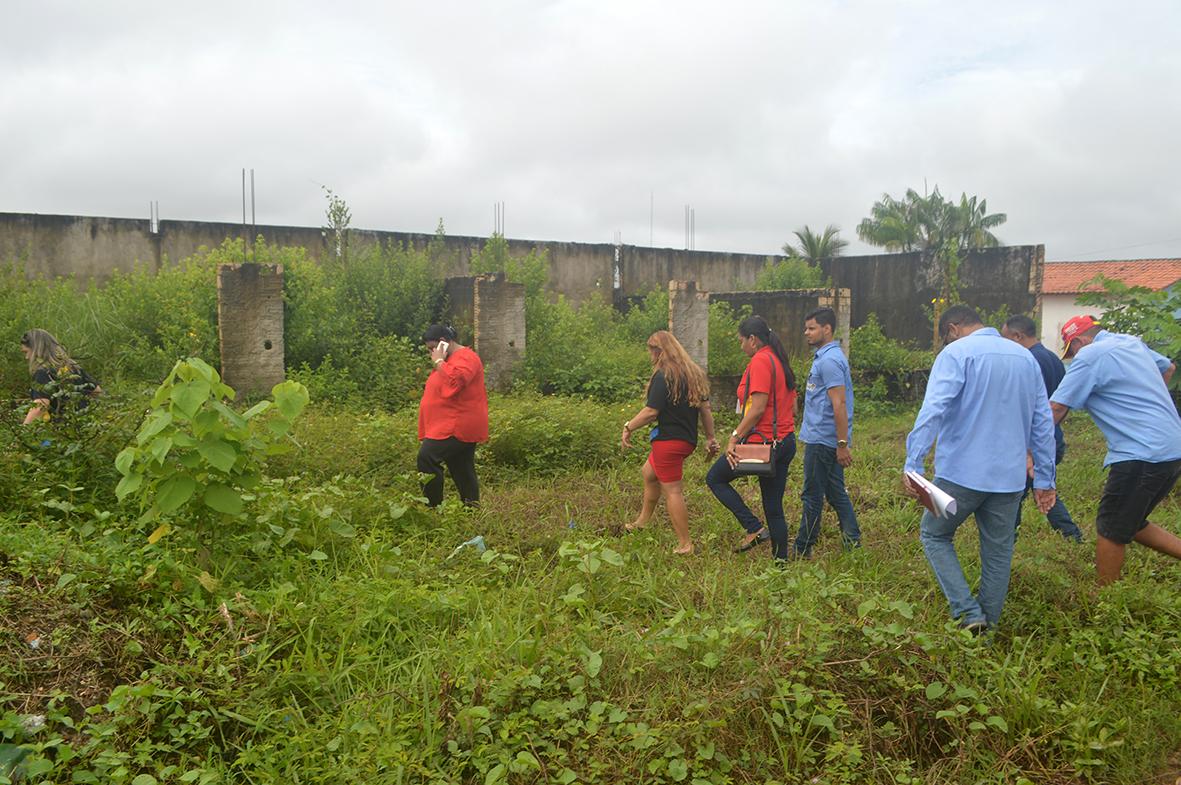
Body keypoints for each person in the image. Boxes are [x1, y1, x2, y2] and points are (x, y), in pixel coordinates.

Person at [903, 306, 1056, 633]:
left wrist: (913, 464)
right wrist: (1044, 478)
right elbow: (1042, 423)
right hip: (1010, 479)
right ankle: (987, 631)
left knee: (934, 534)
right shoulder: (1025, 357)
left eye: (945, 335)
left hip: (960, 477)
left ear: (953, 328)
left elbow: (933, 410)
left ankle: (968, 613)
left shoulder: (956, 353)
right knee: (998, 554)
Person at [1049, 315, 1181, 585]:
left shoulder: (1089, 356)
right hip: (1171, 447)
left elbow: (1057, 408)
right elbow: (1168, 368)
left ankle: (1105, 600)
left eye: (1070, 351)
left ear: (1077, 342)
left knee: (1110, 527)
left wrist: (1028, 448)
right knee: (1132, 522)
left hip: (1141, 451)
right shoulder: (1131, 343)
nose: (1072, 357)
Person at [706, 315, 799, 560]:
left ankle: (753, 527)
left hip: (765, 444)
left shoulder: (760, 361)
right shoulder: (780, 360)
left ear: (753, 340)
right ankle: (780, 563)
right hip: (786, 441)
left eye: (741, 341)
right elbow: (794, 406)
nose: (741, 346)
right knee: (773, 507)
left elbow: (757, 408)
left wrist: (735, 437)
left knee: (715, 477)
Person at [622, 331, 719, 554]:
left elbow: (650, 412)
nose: (649, 355)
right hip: (686, 440)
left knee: (673, 491)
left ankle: (685, 544)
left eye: (651, 350)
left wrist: (628, 427)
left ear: (659, 351)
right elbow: (705, 409)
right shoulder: (693, 373)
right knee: (649, 473)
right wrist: (710, 437)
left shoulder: (662, 375)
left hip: (669, 443)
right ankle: (642, 522)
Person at [1000, 314, 1084, 542]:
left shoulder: (1027, 361)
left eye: (1006, 338)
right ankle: (1071, 536)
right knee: (1038, 486)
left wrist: (1028, 445)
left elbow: (1026, 407)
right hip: (1050, 438)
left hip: (1032, 441)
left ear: (1018, 336)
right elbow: (1061, 405)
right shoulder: (1053, 359)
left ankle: (1008, 539)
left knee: (1017, 492)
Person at [793, 307, 861, 557]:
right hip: (824, 437)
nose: (806, 333)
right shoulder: (826, 357)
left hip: (822, 439)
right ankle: (852, 539)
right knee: (834, 492)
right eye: (806, 328)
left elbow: (839, 403)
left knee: (812, 495)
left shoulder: (830, 361)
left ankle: (803, 547)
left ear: (827, 329)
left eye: (811, 328)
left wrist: (841, 444)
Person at [416, 324, 489, 507]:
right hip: (449, 423)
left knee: (427, 458)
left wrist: (439, 362)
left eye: (433, 348)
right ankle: (471, 509)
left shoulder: (466, 357)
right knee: (461, 467)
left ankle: (432, 507)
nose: (432, 353)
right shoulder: (452, 358)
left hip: (456, 425)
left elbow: (457, 380)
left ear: (443, 342)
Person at [20, 329, 101, 425]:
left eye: (26, 352)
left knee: (45, 441)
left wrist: (23, 431)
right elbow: (97, 391)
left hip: (60, 431)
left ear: (36, 350)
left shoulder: (42, 372)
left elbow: (40, 405)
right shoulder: (73, 367)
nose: (27, 357)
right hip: (85, 426)